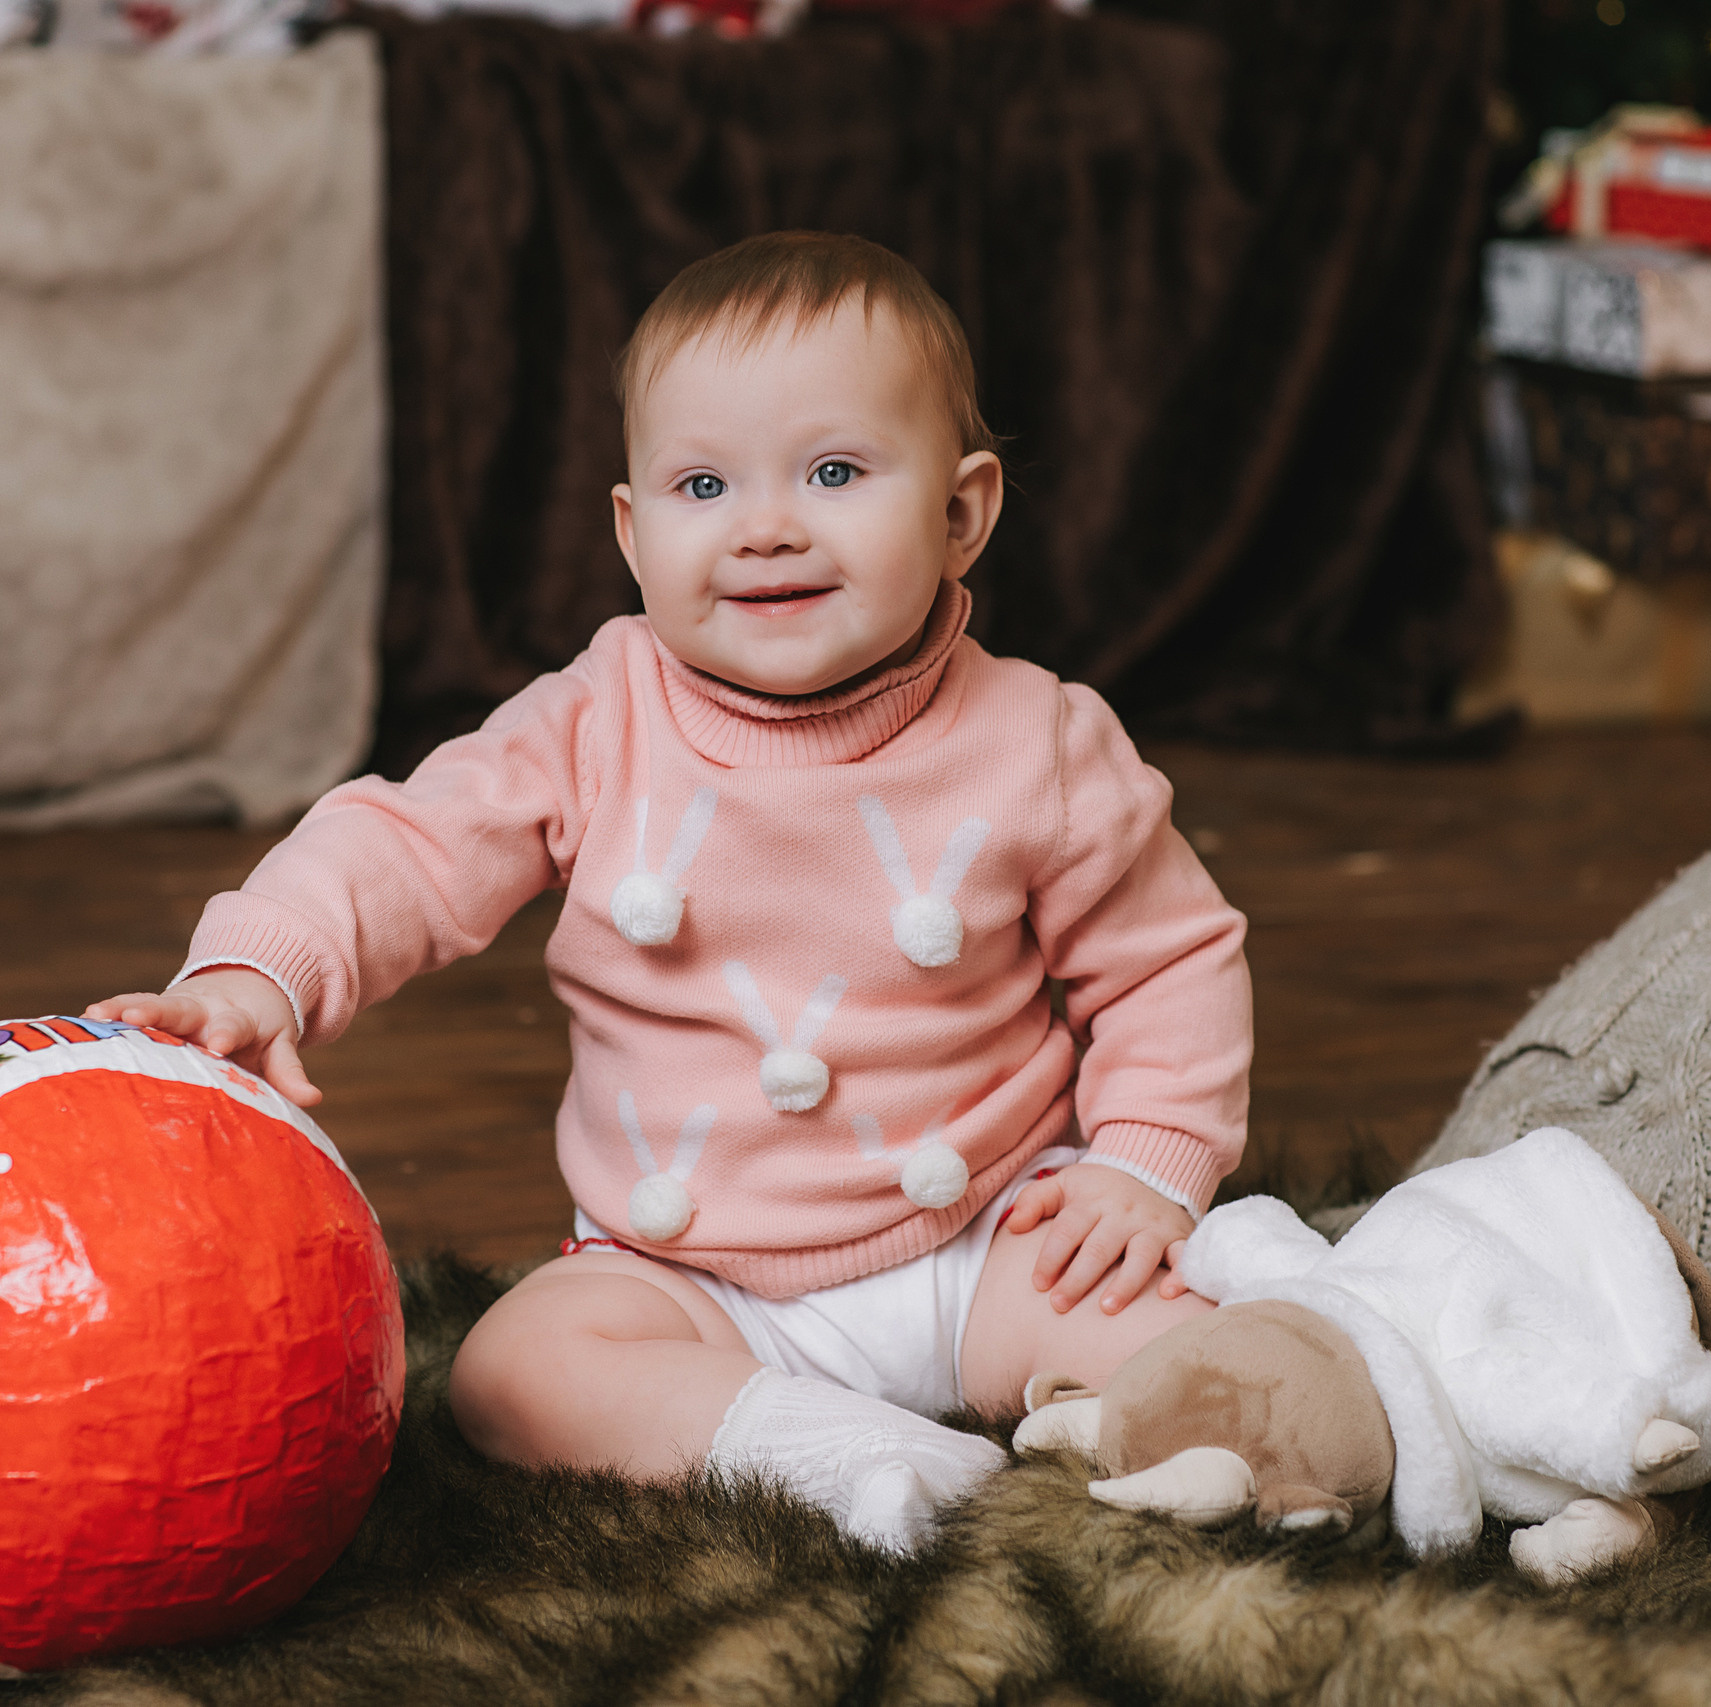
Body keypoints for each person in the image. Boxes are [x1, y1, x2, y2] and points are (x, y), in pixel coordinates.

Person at [88, 231, 1252, 1553]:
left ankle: (1266, 1406)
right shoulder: (598, 722)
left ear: (961, 512)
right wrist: (264, 967)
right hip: (690, 1278)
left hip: (984, 1233)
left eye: (834, 472)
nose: (766, 527)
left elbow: (1167, 960)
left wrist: (1145, 1164)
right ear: (635, 536)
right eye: (704, 484)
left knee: (1202, 1343)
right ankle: (830, 1452)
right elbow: (409, 846)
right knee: (515, 1374)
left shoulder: (1037, 739)